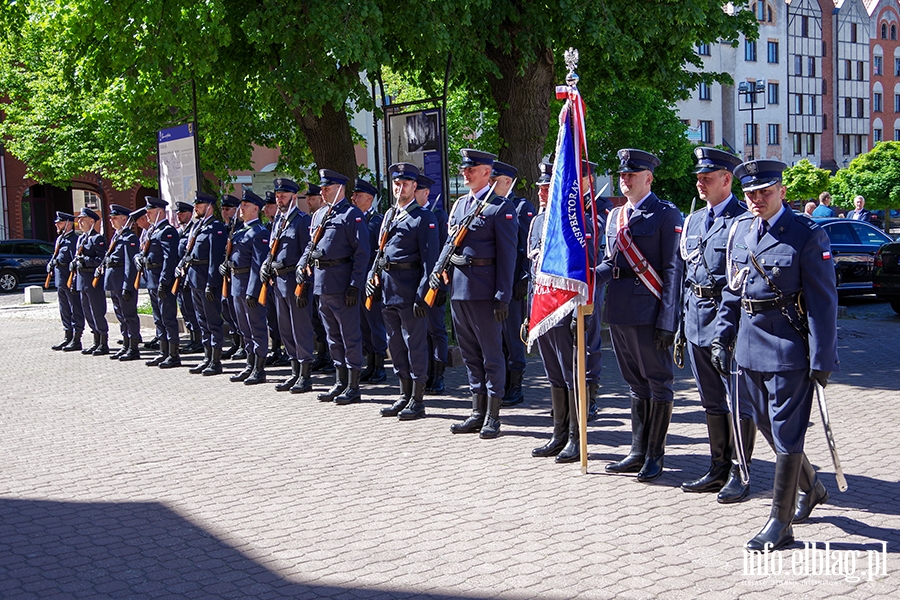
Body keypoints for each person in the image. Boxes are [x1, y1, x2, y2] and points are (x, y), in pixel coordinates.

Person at [712, 159, 839, 552]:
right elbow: (734, 289)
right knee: (766, 426)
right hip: (749, 344)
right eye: (750, 193)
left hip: (788, 348)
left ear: (782, 191)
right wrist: (722, 334)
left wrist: (822, 359)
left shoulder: (805, 234)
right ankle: (812, 486)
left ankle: (779, 523)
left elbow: (823, 302)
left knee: (787, 430)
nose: (756, 199)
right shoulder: (743, 230)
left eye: (765, 192)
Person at [598, 149, 684, 481]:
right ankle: (637, 450)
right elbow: (610, 263)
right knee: (635, 383)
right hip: (618, 309)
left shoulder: (665, 214)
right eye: (622, 174)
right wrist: (587, 277)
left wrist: (667, 321)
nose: (625, 179)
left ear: (648, 178)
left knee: (658, 383)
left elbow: (673, 271)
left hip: (649, 311)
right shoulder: (614, 216)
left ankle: (655, 454)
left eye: (632, 174)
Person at [678, 147, 757, 503]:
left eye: (707, 178)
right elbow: (686, 272)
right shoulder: (695, 219)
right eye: (698, 178)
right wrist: (681, 324)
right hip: (695, 319)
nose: (700, 183)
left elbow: (737, 281)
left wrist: (727, 331)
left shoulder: (742, 221)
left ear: (727, 180)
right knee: (711, 400)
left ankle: (741, 471)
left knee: (739, 401)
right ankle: (717, 466)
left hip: (728, 325)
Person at [440, 149, 517, 439]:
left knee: (491, 355)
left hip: (486, 293)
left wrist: (503, 296)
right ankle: (477, 410)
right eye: (464, 169)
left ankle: (493, 416)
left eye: (472, 169)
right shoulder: (460, 205)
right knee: (470, 354)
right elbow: (450, 246)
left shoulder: (499, 207)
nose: (465, 173)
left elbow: (508, 257)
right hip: (460, 290)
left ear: (487, 172)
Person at [372, 163, 439, 420]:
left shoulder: (423, 218)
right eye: (396, 184)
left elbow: (429, 261)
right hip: (389, 290)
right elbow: (380, 252)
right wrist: (373, 277)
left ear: (414, 187)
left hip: (411, 291)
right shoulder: (390, 216)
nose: (400, 188)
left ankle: (418, 399)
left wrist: (423, 293)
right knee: (395, 344)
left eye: (405, 184)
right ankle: (404, 393)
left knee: (415, 345)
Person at [298, 169, 370, 405]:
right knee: (332, 337)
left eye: (327, 188)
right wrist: (301, 265)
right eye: (322, 188)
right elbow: (310, 246)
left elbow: (362, 253)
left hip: (342, 283)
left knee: (350, 336)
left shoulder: (352, 215)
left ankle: (353, 384)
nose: (322, 192)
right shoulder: (319, 215)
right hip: (323, 283)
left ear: (339, 189)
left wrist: (354, 285)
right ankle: (339, 381)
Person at [529, 161, 581, 463]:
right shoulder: (537, 222)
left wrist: (576, 314)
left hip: (562, 309)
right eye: (539, 187)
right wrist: (529, 312)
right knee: (553, 374)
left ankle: (576, 436)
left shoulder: (567, 222)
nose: (542, 191)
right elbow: (532, 271)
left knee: (569, 373)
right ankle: (558, 433)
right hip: (542, 307)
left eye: (548, 186)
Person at [260, 178, 314, 394]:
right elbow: (272, 249)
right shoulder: (278, 222)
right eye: (277, 196)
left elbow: (306, 254)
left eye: (283, 196)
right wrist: (266, 264)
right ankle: (294, 371)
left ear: (293, 197)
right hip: (279, 282)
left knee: (300, 328)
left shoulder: (301, 221)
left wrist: (305, 284)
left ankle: (305, 374)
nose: (279, 199)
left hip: (295, 281)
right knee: (285, 329)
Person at [491, 161, 535, 408]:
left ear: (508, 182)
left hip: (514, 283)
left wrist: (523, 278)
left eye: (495, 180)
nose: (491, 184)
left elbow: (527, 248)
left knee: (513, 336)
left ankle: (516, 386)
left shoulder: (521, 207)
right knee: (498, 337)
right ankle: (504, 382)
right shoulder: (492, 207)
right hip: (496, 281)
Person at [223, 190, 270, 385]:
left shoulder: (259, 232)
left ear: (256, 209)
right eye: (241, 205)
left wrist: (252, 290)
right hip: (236, 283)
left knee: (256, 327)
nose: (241, 209)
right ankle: (249, 365)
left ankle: (259, 368)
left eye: (245, 206)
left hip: (249, 285)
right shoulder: (240, 231)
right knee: (244, 328)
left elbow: (257, 264)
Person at [184, 191, 228, 376]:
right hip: (195, 279)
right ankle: (207, 357)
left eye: (200, 205)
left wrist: (212, 282)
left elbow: (214, 258)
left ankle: (216, 360)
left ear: (209, 207)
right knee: (202, 321)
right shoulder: (198, 227)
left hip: (206, 281)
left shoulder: (215, 228)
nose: (196, 208)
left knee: (212, 321)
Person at [351, 178, 388, 383]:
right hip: (358, 280)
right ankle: (370, 363)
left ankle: (380, 365)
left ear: (369, 198)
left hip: (372, 280)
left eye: (357, 195)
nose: (353, 198)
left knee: (375, 324)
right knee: (363, 324)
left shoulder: (376, 222)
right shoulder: (355, 219)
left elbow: (379, 253)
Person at [415, 174, 449, 394]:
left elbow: (444, 253)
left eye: (417, 189)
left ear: (426, 193)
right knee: (422, 331)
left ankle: (438, 376)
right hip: (416, 280)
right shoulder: (412, 216)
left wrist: (442, 286)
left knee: (436, 330)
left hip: (434, 280)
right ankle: (425, 373)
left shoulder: (437, 215)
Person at [139, 197, 181, 368]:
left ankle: (173, 354)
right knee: (158, 318)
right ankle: (163, 352)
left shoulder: (167, 231)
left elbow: (169, 258)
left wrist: (164, 281)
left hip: (161, 281)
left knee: (167, 317)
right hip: (152, 279)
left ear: (160, 212)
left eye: (150, 211)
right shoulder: (153, 231)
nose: (147, 215)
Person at [102, 204, 141, 361]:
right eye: (111, 217)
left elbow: (129, 265)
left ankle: (133, 347)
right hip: (114, 283)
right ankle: (125, 345)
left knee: (129, 315)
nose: (111, 220)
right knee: (121, 316)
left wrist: (127, 286)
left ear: (124, 219)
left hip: (123, 284)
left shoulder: (130, 238)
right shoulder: (117, 237)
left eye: (115, 218)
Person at [304, 184, 335, 375]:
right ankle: (323, 354)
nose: (309, 201)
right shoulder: (315, 217)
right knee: (318, 320)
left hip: (330, 278)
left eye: (312, 197)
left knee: (330, 324)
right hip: (316, 278)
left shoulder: (327, 215)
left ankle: (332, 358)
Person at [72, 207, 109, 356]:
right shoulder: (81, 238)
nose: (79, 222)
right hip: (82, 280)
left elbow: (102, 260)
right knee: (88, 312)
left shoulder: (97, 238)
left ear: (91, 221)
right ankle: (95, 341)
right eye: (79, 219)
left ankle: (103, 342)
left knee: (97, 311)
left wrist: (85, 260)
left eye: (82, 219)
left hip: (93, 280)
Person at [48, 212, 85, 352]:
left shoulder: (74, 240)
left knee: (75, 308)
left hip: (70, 279)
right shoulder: (60, 240)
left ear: (68, 223)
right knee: (64, 309)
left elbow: (74, 260)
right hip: (60, 280)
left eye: (60, 222)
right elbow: (55, 255)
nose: (57, 225)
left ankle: (76, 338)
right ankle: (67, 336)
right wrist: (51, 263)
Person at [262, 190, 288, 367]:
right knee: (274, 318)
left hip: (286, 278)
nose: (267, 209)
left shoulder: (287, 223)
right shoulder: (271, 226)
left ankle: (287, 352)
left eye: (269, 205)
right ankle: (277, 349)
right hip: (272, 280)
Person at [175, 201, 203, 354]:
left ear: (190, 214)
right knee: (185, 308)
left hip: (190, 275)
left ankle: (198, 340)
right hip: (180, 275)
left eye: (182, 213)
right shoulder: (179, 232)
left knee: (192, 309)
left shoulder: (193, 231)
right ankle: (192, 338)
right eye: (177, 213)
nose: (179, 216)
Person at [219, 195, 244, 360]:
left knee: (239, 312)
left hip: (236, 275)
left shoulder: (240, 228)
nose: (224, 211)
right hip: (226, 276)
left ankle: (243, 344)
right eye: (223, 208)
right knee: (227, 308)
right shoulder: (224, 228)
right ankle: (235, 342)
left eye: (228, 209)